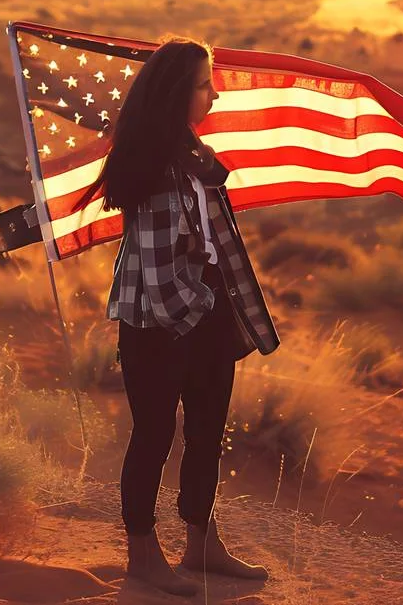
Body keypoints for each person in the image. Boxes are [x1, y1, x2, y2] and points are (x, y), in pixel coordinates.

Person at [75, 36, 282, 597]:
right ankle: (143, 556)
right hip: (160, 325)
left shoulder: (190, 155)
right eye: (204, 85)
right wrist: (206, 313)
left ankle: (202, 543)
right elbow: (161, 273)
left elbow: (208, 243)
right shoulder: (158, 169)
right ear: (175, 94)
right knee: (154, 435)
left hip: (201, 315)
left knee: (207, 431)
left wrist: (215, 315)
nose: (214, 95)